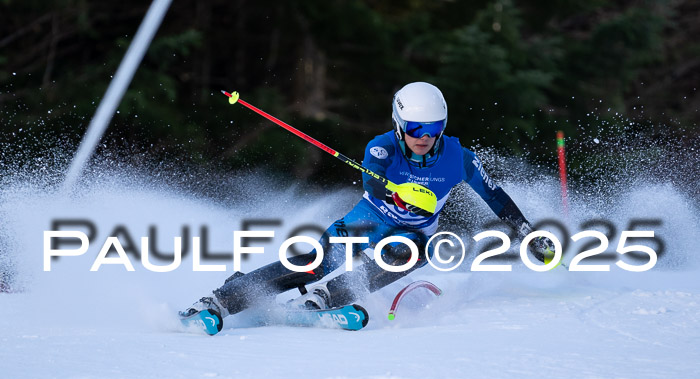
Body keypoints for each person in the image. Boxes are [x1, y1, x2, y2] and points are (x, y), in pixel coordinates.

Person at [180, 82, 554, 325]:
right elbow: (371, 180)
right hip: (367, 220)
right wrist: (395, 190)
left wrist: (527, 232)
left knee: (414, 252)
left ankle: (330, 296)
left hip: (413, 235)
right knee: (311, 263)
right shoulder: (382, 146)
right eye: (414, 129)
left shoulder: (460, 159)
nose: (423, 138)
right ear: (399, 123)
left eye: (433, 128)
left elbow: (495, 197)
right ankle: (218, 301)